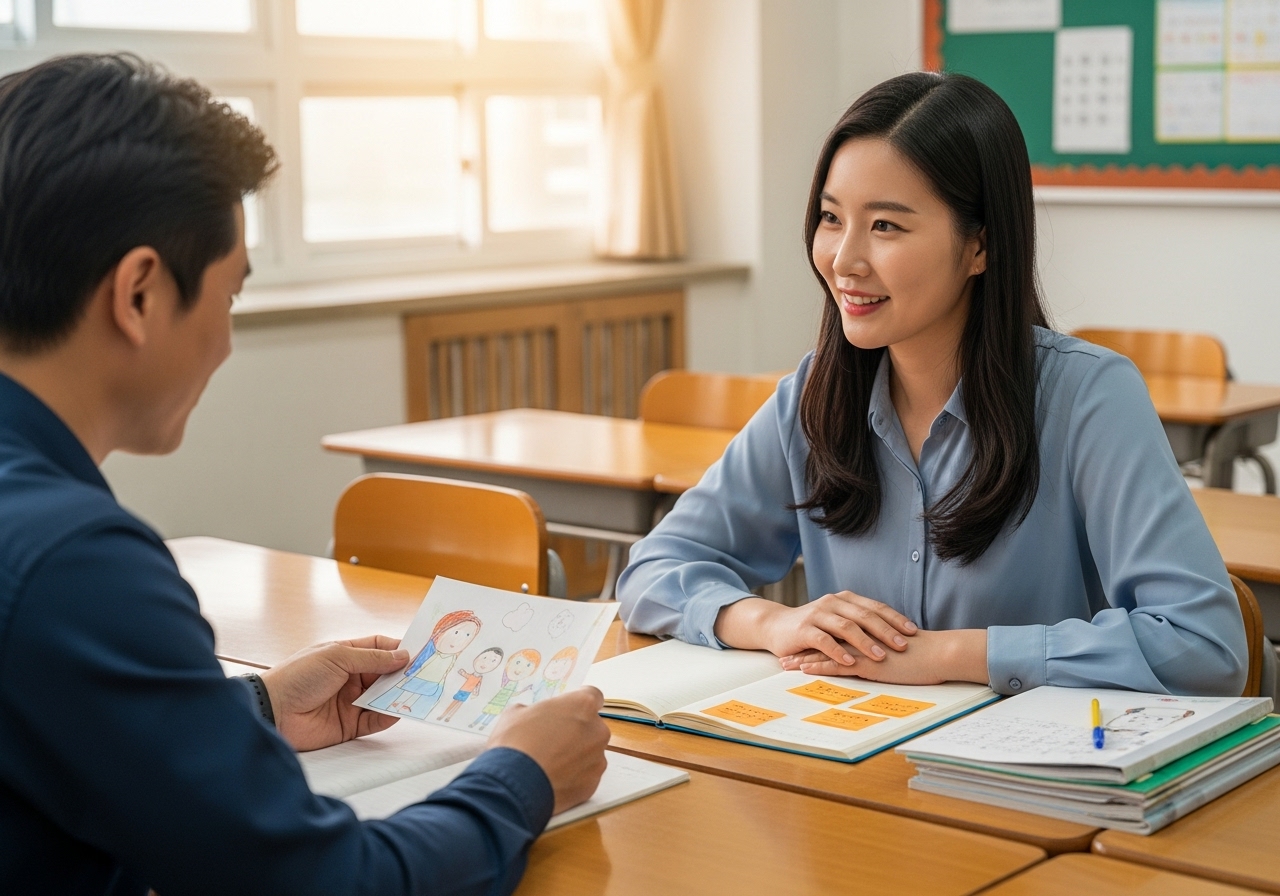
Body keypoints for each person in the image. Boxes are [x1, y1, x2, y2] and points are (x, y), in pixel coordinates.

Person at [0, 54, 609, 895]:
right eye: (230, 297)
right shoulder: (74, 561)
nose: (225, 342)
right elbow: (328, 881)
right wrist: (522, 773)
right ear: (139, 293)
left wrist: (251, 714)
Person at [617, 71, 1249, 698]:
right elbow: (651, 570)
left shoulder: (1087, 396)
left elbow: (1203, 645)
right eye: (832, 218)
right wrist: (774, 622)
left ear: (980, 247)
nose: (844, 259)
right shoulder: (814, 396)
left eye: (886, 226)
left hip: (1019, 777)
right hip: (855, 761)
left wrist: (949, 653)